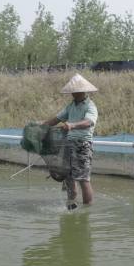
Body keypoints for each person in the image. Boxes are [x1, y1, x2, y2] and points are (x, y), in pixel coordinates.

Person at [43, 73, 98, 210]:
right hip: (68, 145)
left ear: (82, 91)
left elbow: (89, 122)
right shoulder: (71, 106)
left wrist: (72, 125)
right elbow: (56, 119)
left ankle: (87, 211)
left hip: (82, 145)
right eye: (72, 92)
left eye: (75, 91)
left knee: (83, 179)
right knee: (68, 177)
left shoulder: (90, 106)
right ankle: (71, 205)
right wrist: (41, 126)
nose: (73, 94)